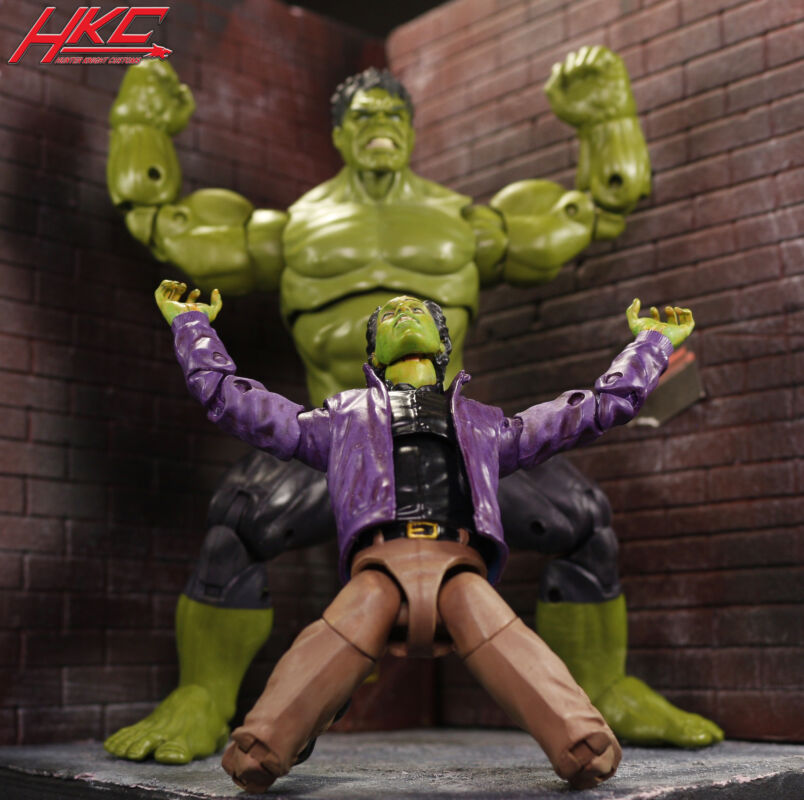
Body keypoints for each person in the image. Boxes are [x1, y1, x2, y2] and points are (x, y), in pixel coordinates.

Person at [105, 49, 722, 764]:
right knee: (236, 521)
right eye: (366, 115)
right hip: (342, 443)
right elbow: (162, 222)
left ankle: (603, 691)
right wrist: (140, 126)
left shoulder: (462, 224)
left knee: (583, 517)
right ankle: (205, 697)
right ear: (339, 132)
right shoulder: (290, 228)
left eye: (395, 114)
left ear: (412, 127)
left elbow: (598, 213)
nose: (382, 125)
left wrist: (606, 121)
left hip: (460, 459)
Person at [156, 285, 694, 791]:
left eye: (416, 310)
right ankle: (262, 747)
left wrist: (651, 344)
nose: (402, 314)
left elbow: (593, 409)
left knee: (509, 642)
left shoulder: (485, 425)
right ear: (373, 353)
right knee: (330, 644)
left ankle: (582, 743)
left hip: (458, 564)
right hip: (379, 566)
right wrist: (192, 325)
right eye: (389, 315)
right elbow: (235, 402)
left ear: (443, 343)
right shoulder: (341, 419)